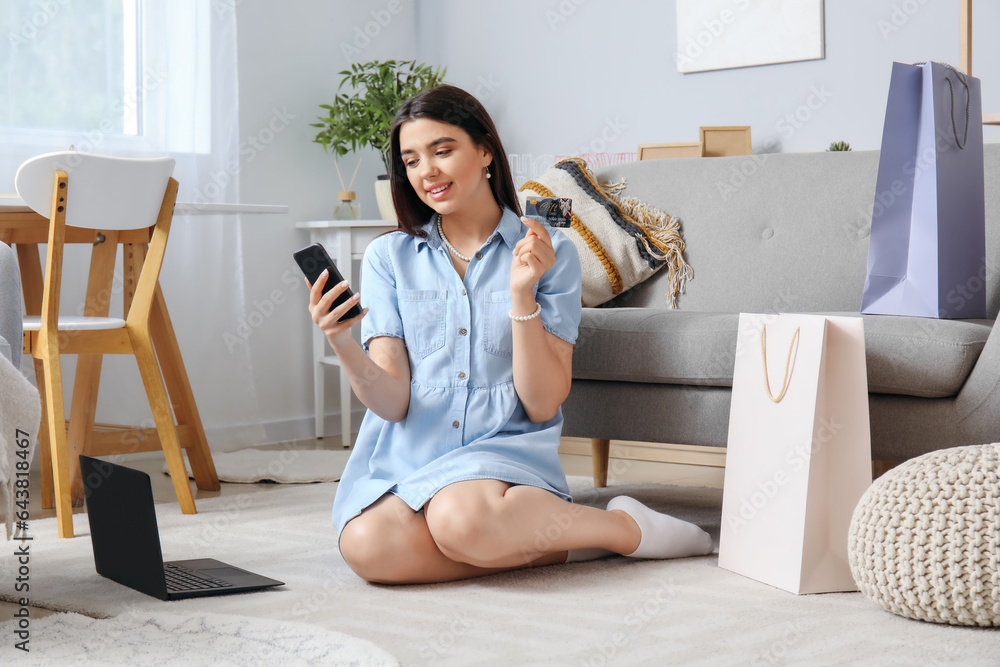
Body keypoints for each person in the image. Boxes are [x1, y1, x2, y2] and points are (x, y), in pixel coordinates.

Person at [307, 84, 712, 584]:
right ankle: (594, 537)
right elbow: (392, 403)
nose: (426, 171)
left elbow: (542, 403)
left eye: (443, 150)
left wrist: (522, 296)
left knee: (460, 518)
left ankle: (615, 528)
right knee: (368, 548)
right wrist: (342, 342)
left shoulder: (550, 251)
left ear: (484, 152)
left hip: (500, 451)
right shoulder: (388, 257)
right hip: (412, 454)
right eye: (411, 160)